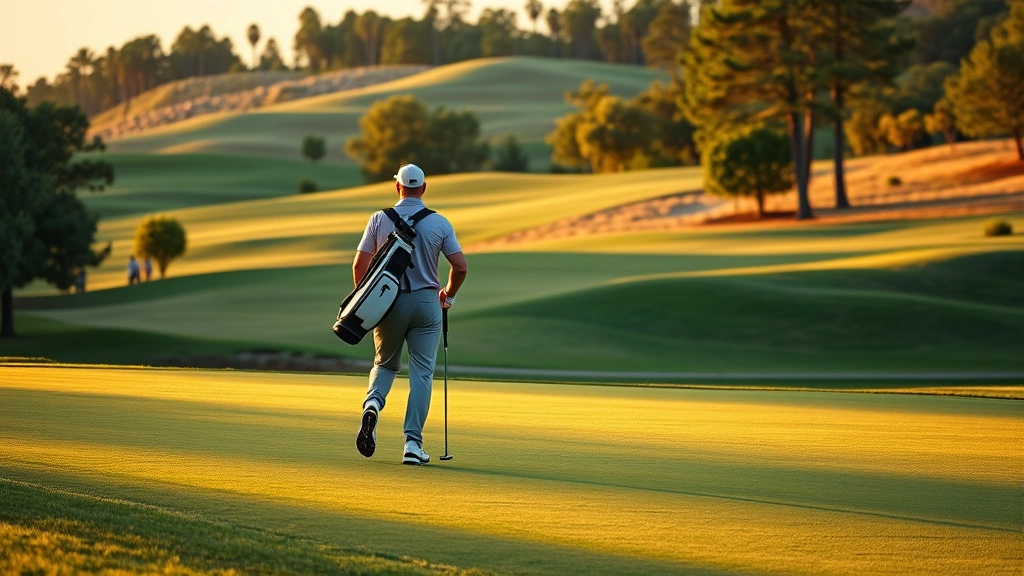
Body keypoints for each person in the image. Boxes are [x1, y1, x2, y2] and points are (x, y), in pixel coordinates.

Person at [354, 163, 468, 465]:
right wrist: (450, 296)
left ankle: (373, 405)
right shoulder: (439, 223)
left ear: (397, 187)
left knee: (386, 364)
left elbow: (359, 265)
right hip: (428, 305)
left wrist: (368, 302)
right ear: (424, 188)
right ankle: (413, 445)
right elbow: (461, 266)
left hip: (388, 303)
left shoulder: (379, 219)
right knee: (422, 373)